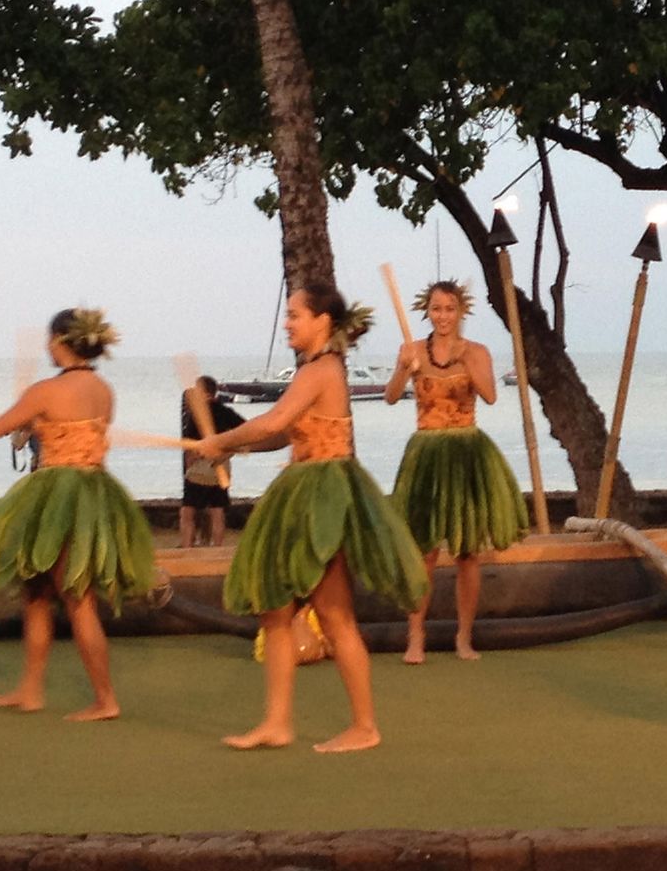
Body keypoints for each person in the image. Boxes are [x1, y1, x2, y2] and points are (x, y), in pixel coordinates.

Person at [193, 284, 427, 752]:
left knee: (334, 614)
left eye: (295, 315)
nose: (287, 323)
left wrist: (220, 439)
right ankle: (277, 722)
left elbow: (275, 420)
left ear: (322, 320)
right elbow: (284, 435)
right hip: (302, 494)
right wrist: (233, 448)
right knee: (276, 612)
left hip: (323, 501)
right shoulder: (313, 369)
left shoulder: (322, 369)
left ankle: (365, 727)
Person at [0, 308, 153, 721]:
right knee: (36, 594)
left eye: (49, 339)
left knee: (77, 599)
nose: (45, 347)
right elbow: (73, 432)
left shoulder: (44, 390)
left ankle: (105, 700)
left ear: (60, 341)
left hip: (58, 499)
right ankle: (30, 690)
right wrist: (34, 425)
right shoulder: (103, 390)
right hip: (92, 492)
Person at [385, 280, 529, 663]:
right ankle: (415, 636)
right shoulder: (413, 350)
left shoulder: (477, 351)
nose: (443, 316)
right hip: (427, 455)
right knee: (424, 552)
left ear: (461, 311)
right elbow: (391, 396)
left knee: (467, 552)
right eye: (436, 309)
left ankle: (464, 637)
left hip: (466, 454)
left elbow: (490, 395)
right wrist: (402, 369)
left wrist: (466, 359)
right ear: (427, 312)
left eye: (450, 309)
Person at [179, 376, 245, 547]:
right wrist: (228, 451)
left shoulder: (198, 415)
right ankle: (217, 547)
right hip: (221, 468)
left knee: (188, 511)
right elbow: (245, 432)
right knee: (217, 511)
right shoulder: (226, 411)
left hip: (199, 468)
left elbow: (191, 444)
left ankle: (187, 547)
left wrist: (191, 461)